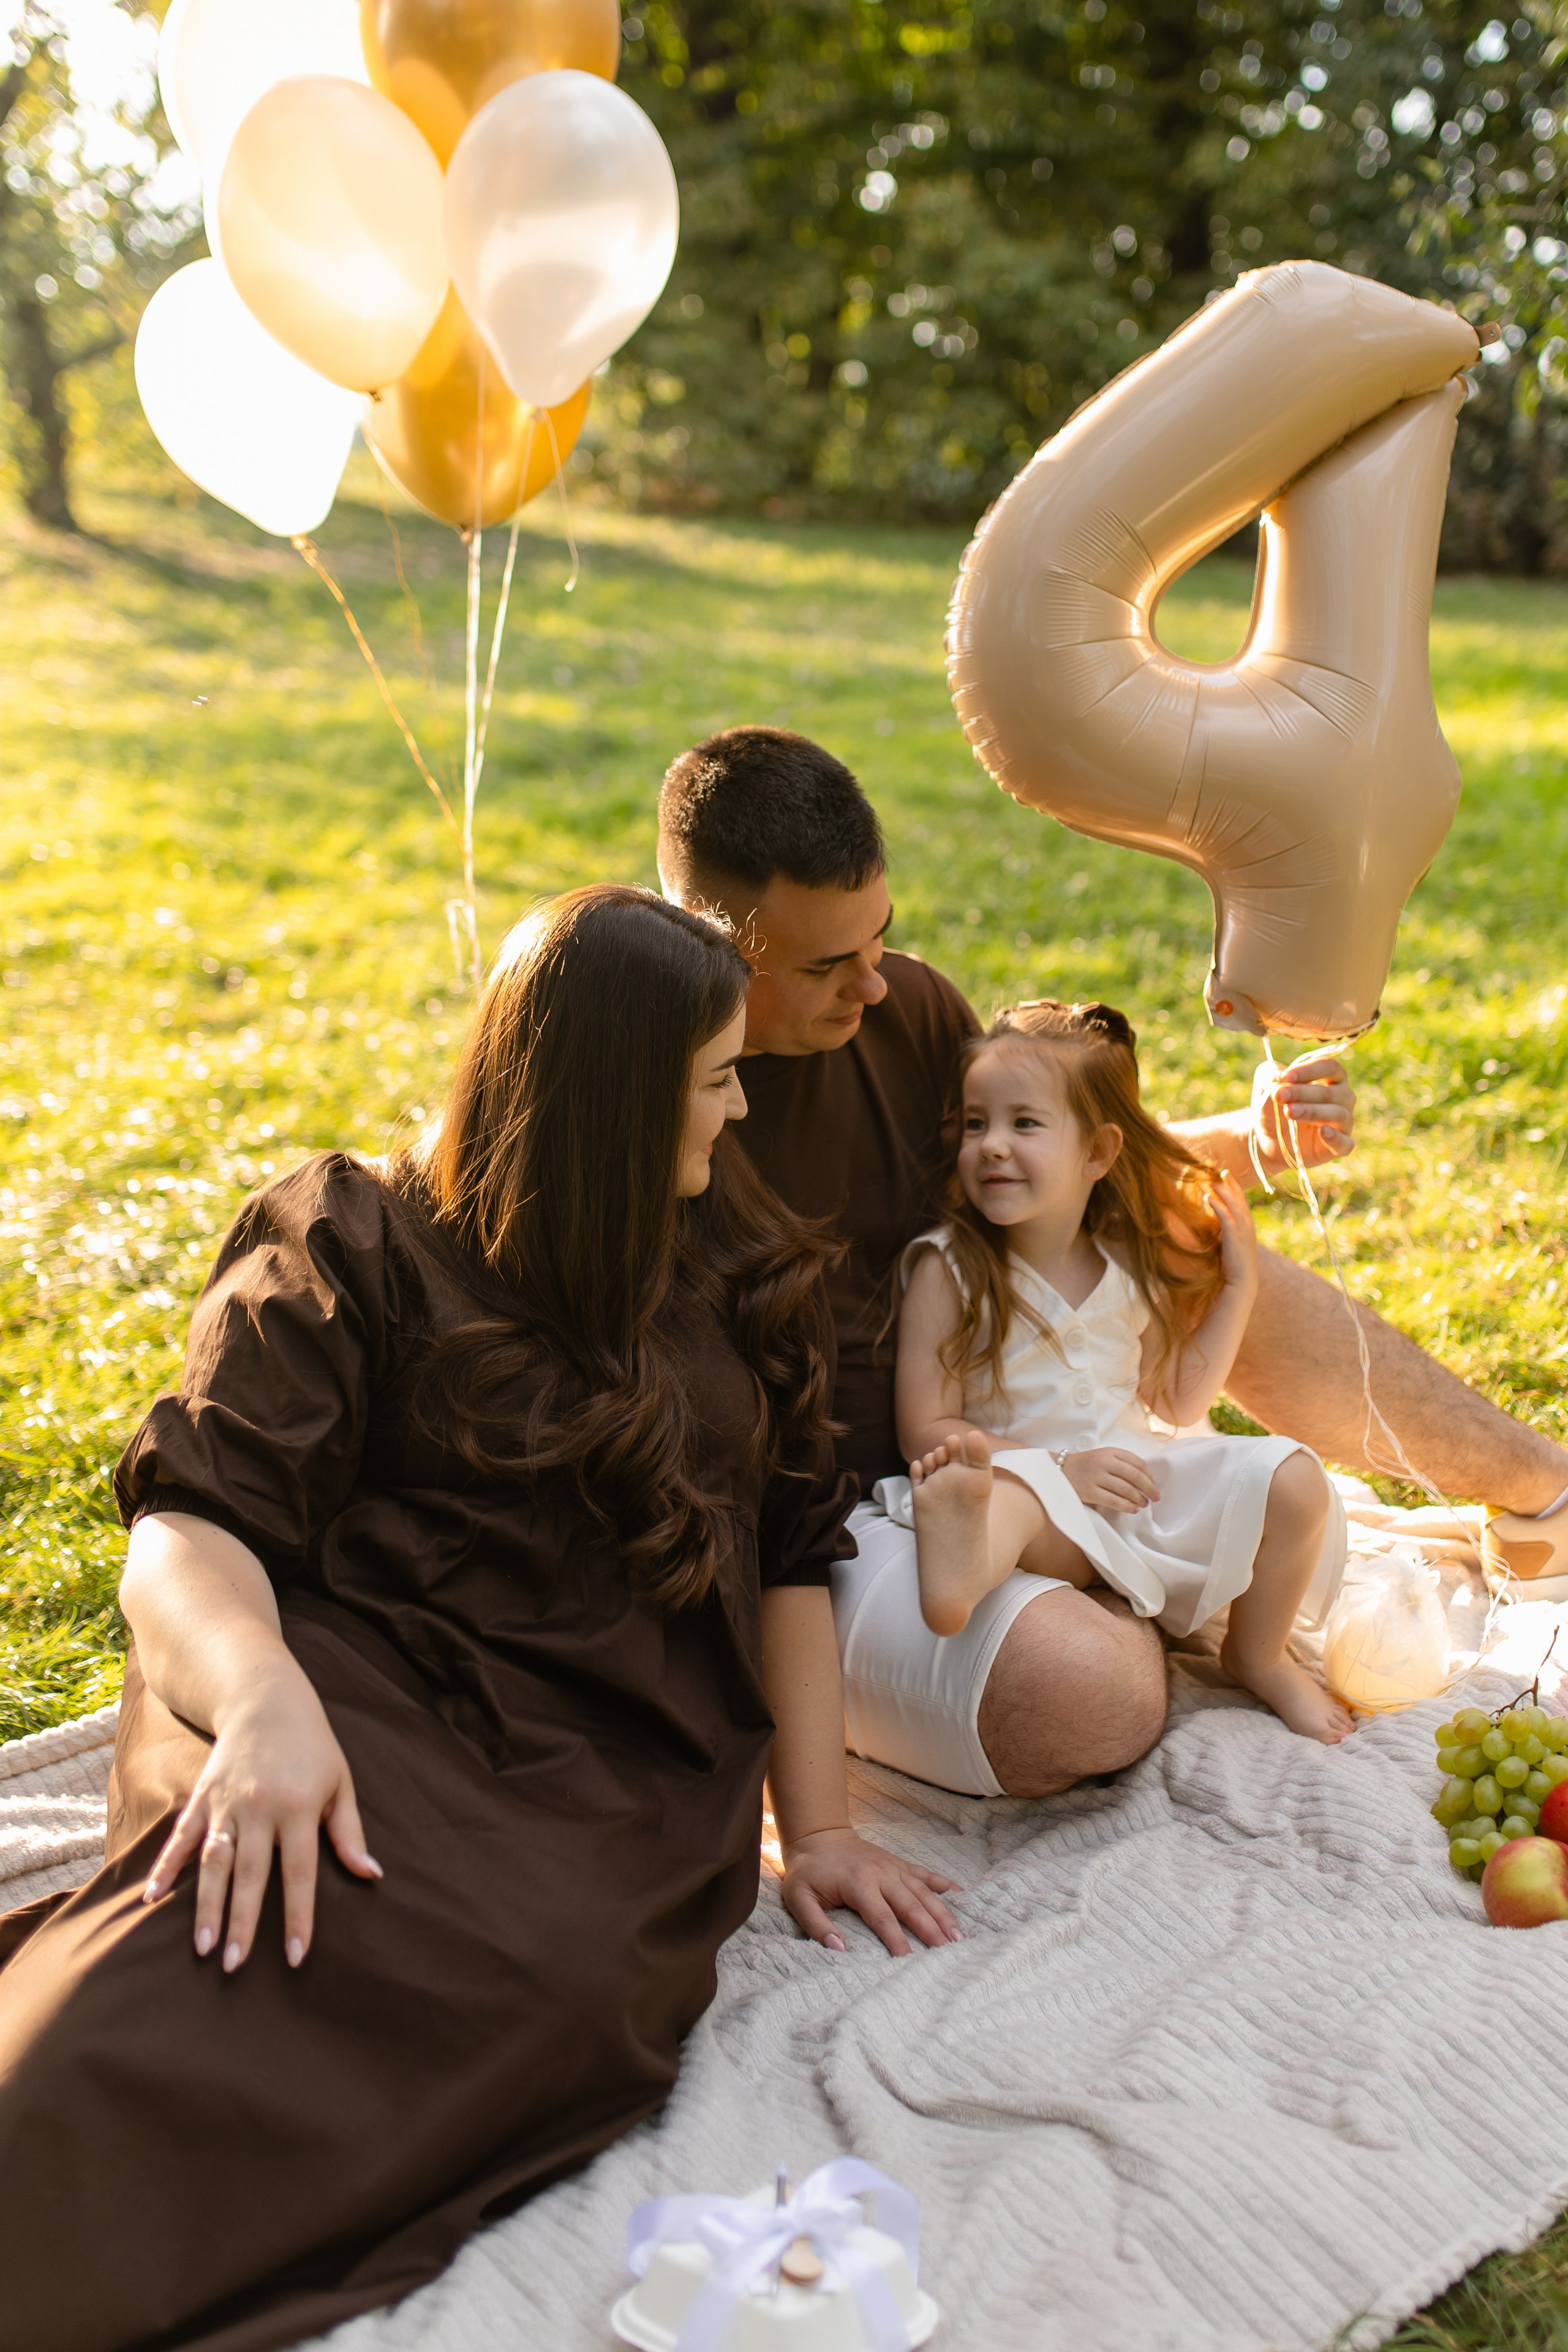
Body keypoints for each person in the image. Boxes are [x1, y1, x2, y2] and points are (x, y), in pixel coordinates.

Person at [0, 886, 956, 2352]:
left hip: (605, 1769)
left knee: (538, 1983)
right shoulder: (354, 1236)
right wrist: (258, 1702)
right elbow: (188, 1528)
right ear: (610, 1100)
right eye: (714, 1078)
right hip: (335, 1682)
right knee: (237, 1923)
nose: (736, 1106)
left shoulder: (735, 1263)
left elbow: (788, 1557)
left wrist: (816, 1831)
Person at [656, 727, 1568, 1800]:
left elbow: (1048, 1164)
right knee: (1093, 1698)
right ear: (706, 943)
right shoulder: (641, 1092)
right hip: (844, 1525)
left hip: (1017, 1421)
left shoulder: (903, 1010)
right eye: (824, 966)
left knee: (1197, 1235)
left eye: (879, 939)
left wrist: (1251, 1140)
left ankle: (1544, 1492)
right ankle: (1110, 1584)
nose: (874, 986)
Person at [899, 1000, 1355, 1743]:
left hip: (1134, 1489)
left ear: (1098, 1152)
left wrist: (1238, 1289)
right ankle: (960, 1574)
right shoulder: (949, 1269)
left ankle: (1257, 1654)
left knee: (1295, 1479)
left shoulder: (1123, 1263)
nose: (991, 1146)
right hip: (1036, 1495)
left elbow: (1177, 1402)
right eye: (976, 1124)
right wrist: (1059, 1468)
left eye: (1024, 1124)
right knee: (1010, 1500)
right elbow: (924, 1427)